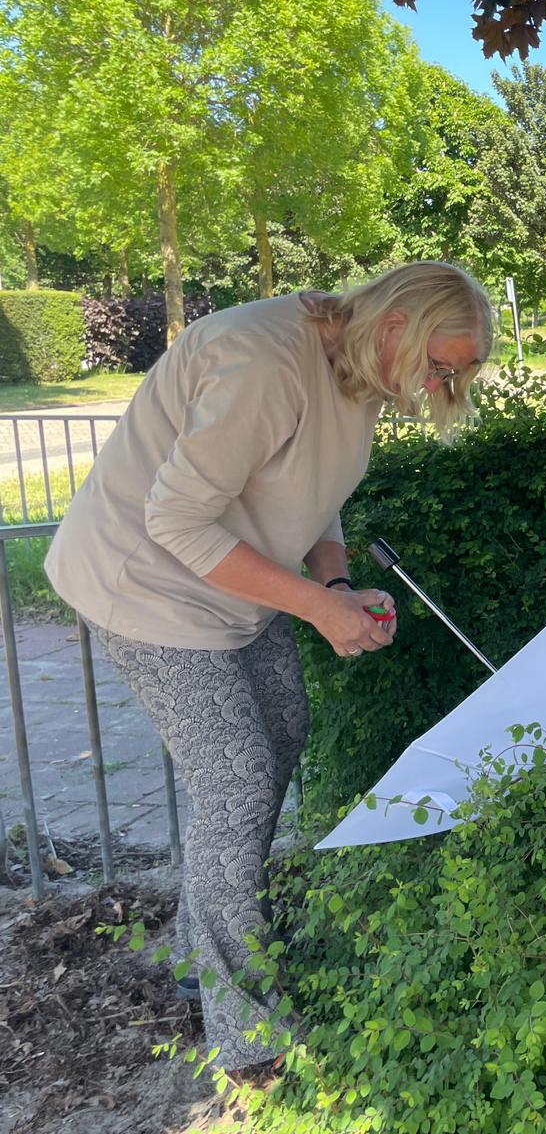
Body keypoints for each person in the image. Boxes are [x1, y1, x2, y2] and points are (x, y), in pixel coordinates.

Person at [44, 261, 494, 1077]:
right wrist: (317, 609)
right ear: (396, 326)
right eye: (440, 367)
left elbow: (318, 495)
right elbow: (174, 518)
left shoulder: (358, 363)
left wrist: (332, 585)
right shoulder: (259, 361)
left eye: (456, 374)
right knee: (239, 782)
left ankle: (198, 941)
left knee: (285, 731)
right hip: (144, 583)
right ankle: (246, 1032)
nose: (441, 388)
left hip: (238, 576)